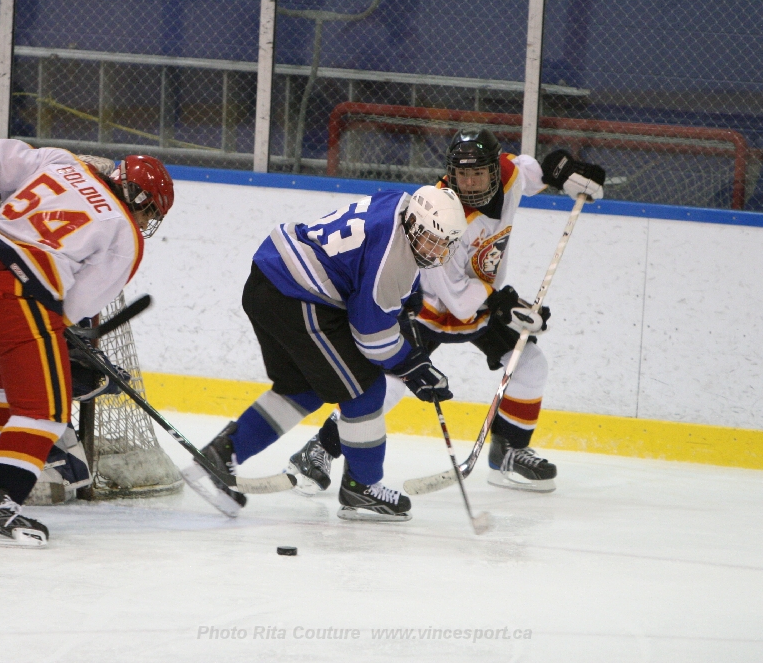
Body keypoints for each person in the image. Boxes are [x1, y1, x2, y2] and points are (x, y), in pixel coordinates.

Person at [286, 129, 605, 494]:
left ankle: (509, 453)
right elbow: (458, 299)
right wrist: (506, 306)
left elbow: (533, 172)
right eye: (461, 174)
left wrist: (564, 172)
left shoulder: (509, 175)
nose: (468, 183)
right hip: (428, 308)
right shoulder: (443, 217)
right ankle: (319, 449)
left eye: (477, 173)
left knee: (531, 365)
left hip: (480, 301)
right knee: (387, 386)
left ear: (493, 169)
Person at [0, 138, 174, 547]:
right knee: (46, 410)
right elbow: (77, 305)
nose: (145, 218)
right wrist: (52, 331)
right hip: (15, 295)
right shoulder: (125, 232)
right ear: (138, 197)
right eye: (149, 209)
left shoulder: (62, 162)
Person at [188, 185, 467, 522]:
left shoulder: (401, 201)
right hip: (298, 294)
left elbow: (366, 258)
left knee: (302, 389)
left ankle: (223, 453)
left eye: (444, 243)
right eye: (430, 240)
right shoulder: (395, 260)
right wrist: (412, 366)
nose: (436, 251)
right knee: (365, 388)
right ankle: (362, 487)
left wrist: (404, 296)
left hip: (271, 277)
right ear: (414, 224)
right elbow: (372, 338)